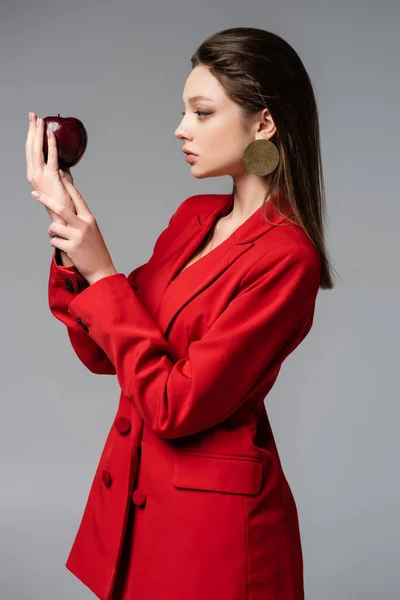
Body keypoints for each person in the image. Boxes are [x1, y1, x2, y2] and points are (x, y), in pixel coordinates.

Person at [26, 26, 335, 600]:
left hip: (214, 540)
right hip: (138, 515)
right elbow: (102, 348)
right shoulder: (194, 217)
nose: (181, 129)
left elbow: (175, 405)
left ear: (264, 124)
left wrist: (103, 273)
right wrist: (67, 224)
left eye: (202, 112)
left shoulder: (288, 257)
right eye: (184, 111)